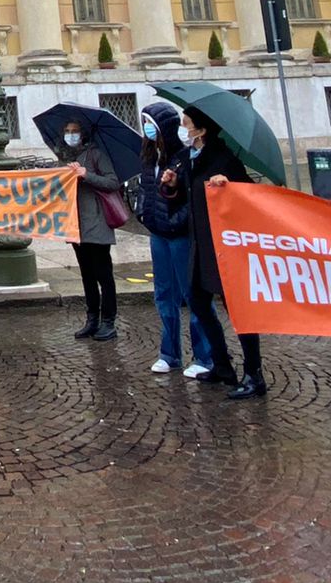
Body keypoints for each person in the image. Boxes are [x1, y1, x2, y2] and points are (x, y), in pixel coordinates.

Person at [187, 111, 265, 399]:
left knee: (237, 310)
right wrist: (170, 186)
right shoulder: (191, 158)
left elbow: (250, 194)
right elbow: (186, 197)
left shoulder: (225, 159)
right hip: (199, 245)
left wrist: (229, 187)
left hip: (223, 248)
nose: (184, 127)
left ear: (202, 129)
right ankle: (222, 365)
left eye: (187, 123)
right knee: (196, 299)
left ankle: (254, 374)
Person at [136, 101, 213, 374]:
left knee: (192, 295)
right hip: (157, 233)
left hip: (181, 235)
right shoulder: (147, 156)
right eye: (144, 123)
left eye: (151, 124)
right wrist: (143, 213)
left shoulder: (184, 158)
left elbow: (191, 198)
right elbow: (145, 190)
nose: (147, 129)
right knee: (163, 294)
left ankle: (204, 357)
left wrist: (178, 221)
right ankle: (169, 354)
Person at [63, 115, 123, 342]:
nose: (70, 134)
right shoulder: (66, 159)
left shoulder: (96, 155)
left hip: (96, 223)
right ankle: (92, 319)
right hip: (76, 224)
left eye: (75, 130)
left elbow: (112, 182)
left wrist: (86, 175)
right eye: (67, 130)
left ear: (84, 133)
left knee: (103, 275)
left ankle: (108, 321)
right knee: (87, 275)